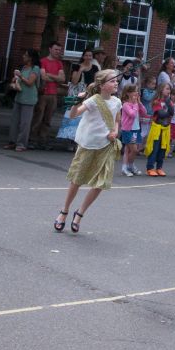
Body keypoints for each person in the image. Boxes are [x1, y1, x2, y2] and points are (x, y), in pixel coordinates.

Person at [53, 69, 122, 234]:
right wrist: (77, 101)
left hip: (106, 145)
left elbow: (117, 120)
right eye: (112, 81)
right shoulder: (92, 100)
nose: (116, 83)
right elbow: (73, 115)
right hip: (88, 144)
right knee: (77, 180)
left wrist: (115, 131)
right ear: (102, 85)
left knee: (101, 183)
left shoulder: (117, 102)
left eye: (116, 81)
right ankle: (64, 210)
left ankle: (80, 213)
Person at [31, 42, 66, 149]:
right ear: (50, 49)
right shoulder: (43, 61)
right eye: (56, 49)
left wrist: (50, 75)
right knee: (38, 116)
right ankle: (32, 139)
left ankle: (42, 140)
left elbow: (62, 79)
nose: (58, 52)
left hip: (53, 94)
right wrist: (56, 78)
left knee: (48, 118)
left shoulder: (59, 63)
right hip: (43, 93)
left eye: (59, 50)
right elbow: (43, 77)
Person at [5, 50, 40, 152]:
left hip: (29, 98)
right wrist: (15, 79)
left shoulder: (35, 68)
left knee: (25, 123)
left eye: (25, 55)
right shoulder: (23, 67)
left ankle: (21, 144)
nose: (23, 56)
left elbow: (30, 82)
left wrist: (20, 76)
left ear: (30, 58)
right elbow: (19, 81)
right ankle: (12, 141)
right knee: (14, 121)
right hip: (19, 97)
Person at [144, 83, 173, 177]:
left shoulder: (169, 101)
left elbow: (172, 112)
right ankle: (150, 168)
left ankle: (159, 168)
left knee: (162, 149)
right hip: (157, 128)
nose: (169, 91)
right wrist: (169, 111)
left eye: (169, 89)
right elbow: (161, 114)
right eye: (167, 89)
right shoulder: (157, 101)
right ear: (161, 90)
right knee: (154, 148)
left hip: (165, 129)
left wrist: (169, 106)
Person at [118, 85, 144, 177]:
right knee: (134, 150)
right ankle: (128, 166)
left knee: (128, 150)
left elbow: (144, 112)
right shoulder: (125, 104)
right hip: (128, 130)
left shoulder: (136, 104)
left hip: (135, 130)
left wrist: (139, 103)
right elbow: (132, 114)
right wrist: (135, 104)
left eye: (137, 91)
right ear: (128, 93)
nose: (137, 93)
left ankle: (128, 167)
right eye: (135, 91)